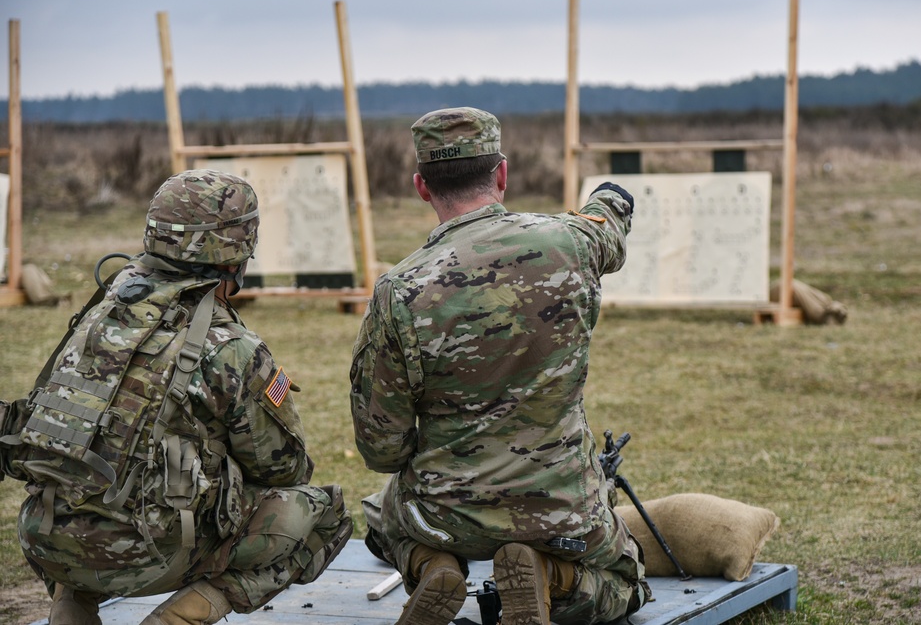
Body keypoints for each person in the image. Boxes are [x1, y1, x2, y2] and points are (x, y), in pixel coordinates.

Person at [1, 170, 352, 625]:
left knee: (88, 488)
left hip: (44, 536)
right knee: (323, 514)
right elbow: (285, 468)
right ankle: (183, 615)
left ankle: (71, 606)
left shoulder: (100, 312)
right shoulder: (232, 347)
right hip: (148, 554)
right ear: (240, 249)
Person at [351, 107, 650, 625]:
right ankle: (549, 574)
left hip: (444, 515)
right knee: (627, 582)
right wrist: (612, 198)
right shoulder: (569, 246)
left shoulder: (398, 291)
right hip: (560, 507)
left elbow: (382, 447)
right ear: (502, 174)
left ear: (423, 187)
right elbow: (606, 229)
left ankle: (435, 567)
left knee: (381, 519)